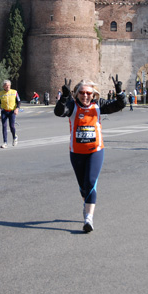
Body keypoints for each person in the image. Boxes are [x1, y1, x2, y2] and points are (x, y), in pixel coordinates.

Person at [54, 76, 126, 233]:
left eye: (88, 93)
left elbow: (120, 105)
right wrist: (64, 97)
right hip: (77, 153)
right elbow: (59, 112)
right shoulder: (72, 106)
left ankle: (88, 219)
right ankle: (86, 204)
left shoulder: (99, 105)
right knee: (83, 187)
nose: (85, 96)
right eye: (82, 93)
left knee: (91, 182)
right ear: (77, 93)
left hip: (96, 151)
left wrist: (119, 92)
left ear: (93, 95)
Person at [0, 80, 21, 148]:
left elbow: (19, 101)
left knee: (12, 126)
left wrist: (17, 108)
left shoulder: (14, 92)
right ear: (3, 86)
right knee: (4, 126)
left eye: (9, 85)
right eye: (6, 85)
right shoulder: (0, 94)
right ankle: (5, 142)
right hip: (4, 111)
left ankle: (15, 137)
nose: (8, 87)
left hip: (12, 111)